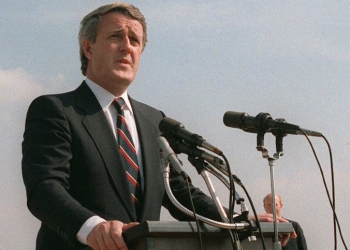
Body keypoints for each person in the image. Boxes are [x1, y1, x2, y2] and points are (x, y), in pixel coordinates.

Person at [22, 3, 295, 250]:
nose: (127, 46)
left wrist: (238, 221)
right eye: (116, 36)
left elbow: (180, 193)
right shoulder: (56, 111)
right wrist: (94, 227)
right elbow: (45, 188)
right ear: (88, 47)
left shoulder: (155, 120)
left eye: (135, 40)